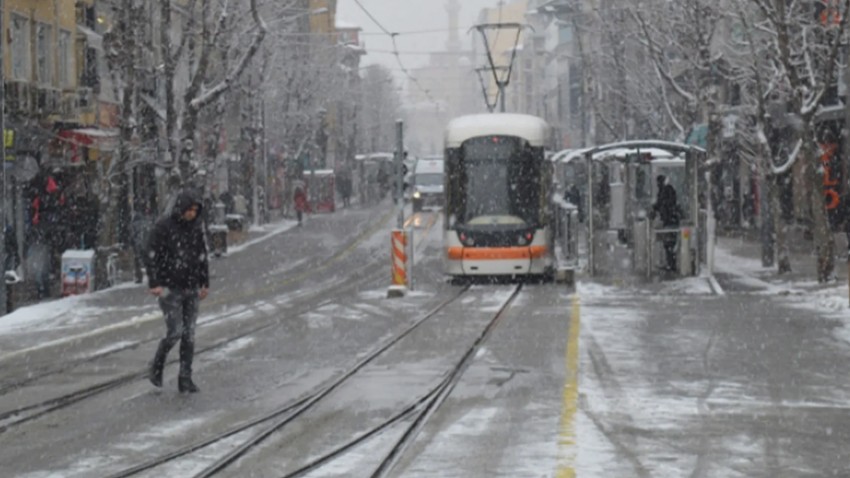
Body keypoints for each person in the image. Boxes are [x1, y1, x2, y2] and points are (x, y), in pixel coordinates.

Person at [146, 190, 210, 393]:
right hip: (169, 288)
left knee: (189, 334)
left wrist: (204, 281)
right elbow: (151, 254)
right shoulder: (164, 227)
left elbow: (202, 255)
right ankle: (157, 363)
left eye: (195, 210)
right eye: (189, 209)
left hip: (190, 287)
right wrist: (154, 282)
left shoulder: (196, 228)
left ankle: (185, 377)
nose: (192, 214)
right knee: (175, 332)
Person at [652, 175, 681, 272]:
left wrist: (657, 207)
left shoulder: (665, 191)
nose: (657, 184)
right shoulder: (666, 190)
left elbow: (662, 204)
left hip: (669, 220)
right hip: (669, 219)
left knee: (669, 243)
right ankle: (670, 263)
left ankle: (671, 264)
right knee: (669, 243)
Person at [129, 206, 154, 284]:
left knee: (137, 261)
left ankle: (138, 277)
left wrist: (132, 243)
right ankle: (151, 275)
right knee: (148, 260)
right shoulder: (147, 222)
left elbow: (133, 235)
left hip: (138, 244)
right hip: (146, 244)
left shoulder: (134, 224)